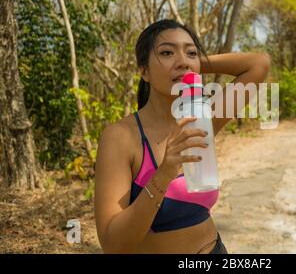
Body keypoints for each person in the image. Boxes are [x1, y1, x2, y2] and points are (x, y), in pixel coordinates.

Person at [94, 19, 271, 253]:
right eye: (166, 52)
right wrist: (164, 173)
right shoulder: (121, 137)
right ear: (144, 70)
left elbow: (259, 63)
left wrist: (189, 67)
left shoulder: (203, 118)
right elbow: (113, 244)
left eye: (191, 52)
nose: (182, 60)